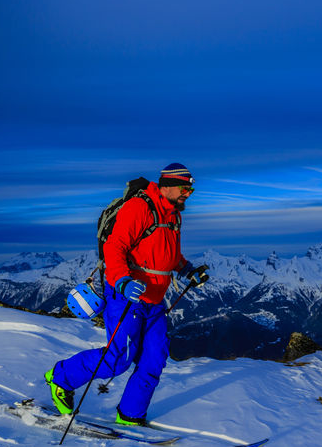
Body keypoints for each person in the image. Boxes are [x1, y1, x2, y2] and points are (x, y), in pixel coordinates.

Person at [45, 163, 209, 425]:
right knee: (118, 359)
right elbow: (114, 248)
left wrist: (187, 270)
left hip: (154, 299)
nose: (188, 193)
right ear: (167, 185)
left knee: (154, 357)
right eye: (184, 187)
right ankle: (60, 377)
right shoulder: (140, 207)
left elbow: (169, 254)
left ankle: (131, 415)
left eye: (191, 188)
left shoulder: (174, 215)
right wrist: (122, 280)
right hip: (127, 296)